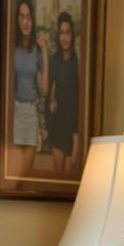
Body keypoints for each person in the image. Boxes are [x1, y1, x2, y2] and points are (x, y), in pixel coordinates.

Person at [5, 0, 49, 180]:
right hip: (14, 112)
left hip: (30, 114)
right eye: (22, 17)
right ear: (17, 19)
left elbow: (45, 90)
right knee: (14, 176)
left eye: (29, 17)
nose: (25, 22)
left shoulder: (37, 52)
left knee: (26, 176)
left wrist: (45, 51)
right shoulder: (11, 48)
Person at [47, 10, 81, 174]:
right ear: (58, 35)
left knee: (70, 175)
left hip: (73, 129)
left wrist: (76, 141)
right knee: (58, 176)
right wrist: (51, 103)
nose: (64, 37)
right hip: (57, 127)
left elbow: (78, 104)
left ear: (72, 35)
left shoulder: (78, 64)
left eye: (67, 32)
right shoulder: (53, 61)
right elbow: (49, 93)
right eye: (61, 33)